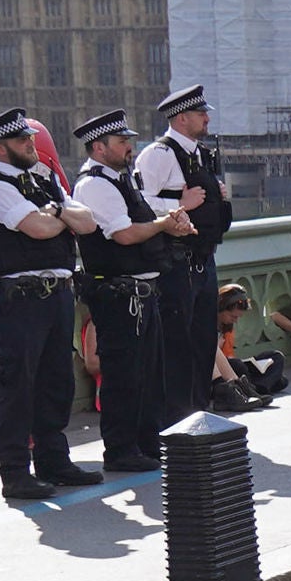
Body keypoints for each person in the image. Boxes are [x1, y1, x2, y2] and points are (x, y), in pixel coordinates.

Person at [0, 108, 97, 499]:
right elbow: (38, 229)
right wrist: (60, 216)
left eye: (30, 138)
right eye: (22, 141)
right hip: (21, 299)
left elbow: (88, 222)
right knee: (19, 386)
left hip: (56, 294)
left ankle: (54, 461)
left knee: (57, 382)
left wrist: (56, 210)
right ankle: (15, 472)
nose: (31, 143)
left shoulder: (43, 182)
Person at [62, 106, 180, 477]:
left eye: (129, 141)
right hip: (118, 294)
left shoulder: (121, 178)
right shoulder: (95, 184)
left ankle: (146, 443)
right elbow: (124, 234)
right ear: (99, 148)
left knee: (148, 373)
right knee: (123, 375)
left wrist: (167, 225)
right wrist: (163, 225)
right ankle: (121, 450)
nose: (129, 147)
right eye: (122, 142)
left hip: (142, 291)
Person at [134, 84, 233, 451]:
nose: (207, 118)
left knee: (203, 340)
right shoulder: (158, 155)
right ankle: (177, 422)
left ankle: (198, 412)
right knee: (175, 344)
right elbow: (141, 204)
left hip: (203, 258)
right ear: (181, 118)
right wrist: (180, 201)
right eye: (201, 114)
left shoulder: (202, 155)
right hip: (174, 262)